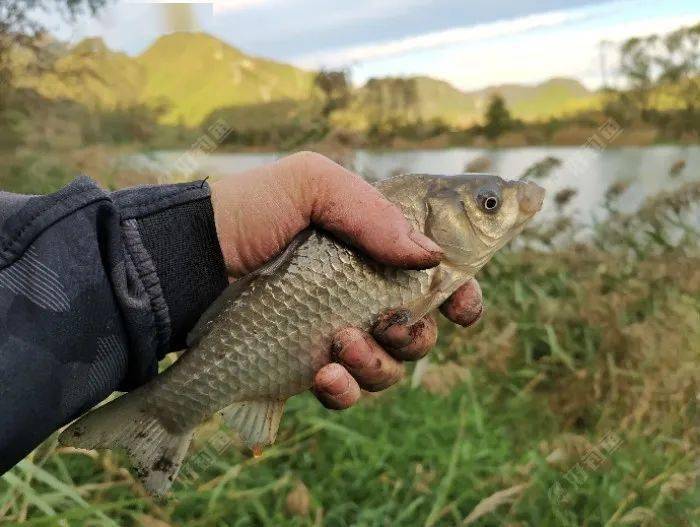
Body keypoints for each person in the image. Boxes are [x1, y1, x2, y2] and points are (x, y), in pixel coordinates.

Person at [0, 151, 483, 473]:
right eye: (488, 205)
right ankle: (167, 413)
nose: (503, 211)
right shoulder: (425, 247)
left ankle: (175, 412)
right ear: (440, 218)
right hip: (245, 311)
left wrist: (175, 252)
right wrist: (196, 246)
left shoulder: (441, 264)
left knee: (368, 350)